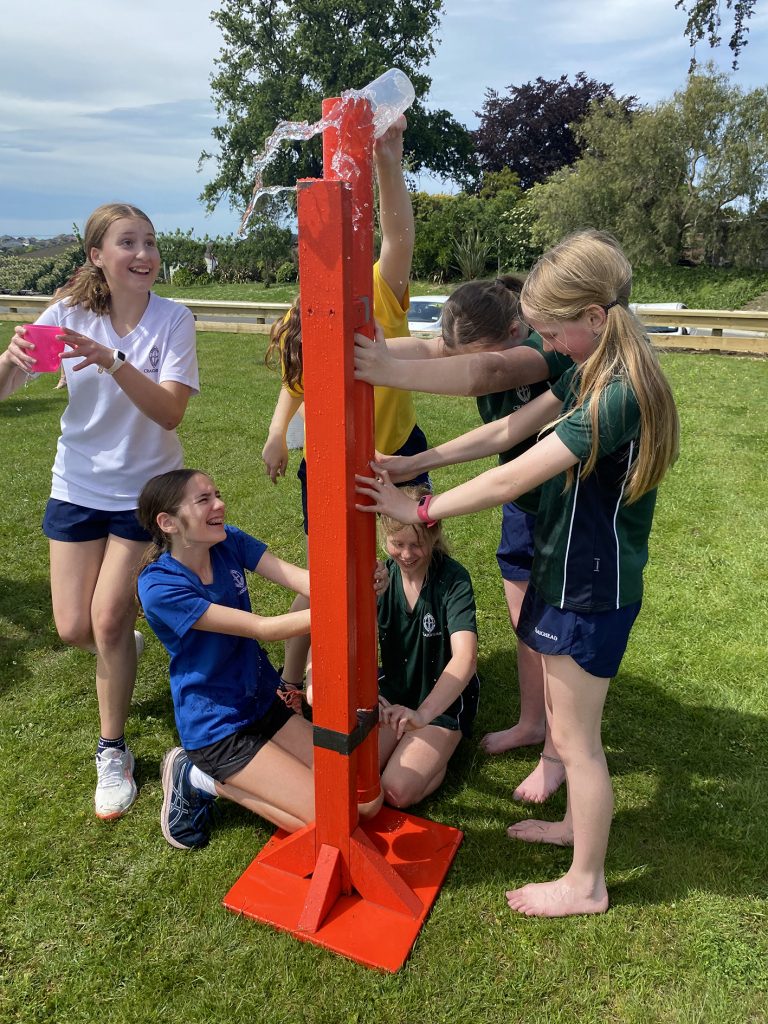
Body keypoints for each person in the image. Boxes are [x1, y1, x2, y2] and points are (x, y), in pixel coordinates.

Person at [356, 230, 679, 917]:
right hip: (568, 574)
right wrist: (416, 464)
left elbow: (514, 477)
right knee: (564, 727)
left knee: (579, 745)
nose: (546, 345)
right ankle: (572, 829)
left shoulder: (616, 394)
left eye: (553, 332)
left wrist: (420, 507)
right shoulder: (589, 369)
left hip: (588, 588)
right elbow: (506, 433)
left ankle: (586, 884)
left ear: (594, 316)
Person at [0, 202, 198, 821]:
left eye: (150, 242)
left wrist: (113, 361)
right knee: (72, 629)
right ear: (97, 256)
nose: (144, 254)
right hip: (76, 486)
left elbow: (170, 412)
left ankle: (112, 750)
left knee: (107, 620)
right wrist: (9, 359)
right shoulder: (66, 314)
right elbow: (8, 384)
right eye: (128, 243)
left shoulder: (173, 319)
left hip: (144, 494)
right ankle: (124, 647)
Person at [355, 276, 573, 803]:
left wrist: (386, 371)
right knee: (525, 625)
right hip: (523, 504)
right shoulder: (488, 338)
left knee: (558, 637)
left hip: (565, 506)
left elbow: (487, 373)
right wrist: (363, 349)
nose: (457, 362)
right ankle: (532, 722)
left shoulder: (544, 347)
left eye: (469, 352)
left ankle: (558, 752)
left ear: (516, 330)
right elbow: (433, 352)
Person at [261, 115, 428, 695]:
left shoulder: (379, 287)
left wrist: (388, 159)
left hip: (396, 456)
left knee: (408, 557)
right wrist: (277, 434)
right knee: (327, 571)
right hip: (328, 461)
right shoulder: (303, 310)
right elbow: (297, 383)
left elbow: (399, 238)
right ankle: (293, 679)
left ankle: (406, 668)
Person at [136, 469, 384, 849]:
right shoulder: (159, 587)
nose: (220, 505)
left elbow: (310, 582)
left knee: (361, 803)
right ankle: (199, 776)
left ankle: (219, 776)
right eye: (204, 500)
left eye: (217, 494)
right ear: (167, 522)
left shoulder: (228, 540)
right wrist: (348, 605)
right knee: (334, 822)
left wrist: (360, 583)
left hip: (261, 703)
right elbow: (263, 628)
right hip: (219, 729)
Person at [375, 487, 479, 808]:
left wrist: (422, 715)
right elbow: (353, 644)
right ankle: (415, 747)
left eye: (416, 544)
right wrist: (368, 692)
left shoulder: (453, 580)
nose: (406, 554)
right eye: (398, 544)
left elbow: (465, 658)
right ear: (384, 538)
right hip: (395, 694)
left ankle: (439, 753)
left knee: (395, 790)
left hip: (440, 703)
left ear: (434, 537)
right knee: (357, 774)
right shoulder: (381, 580)